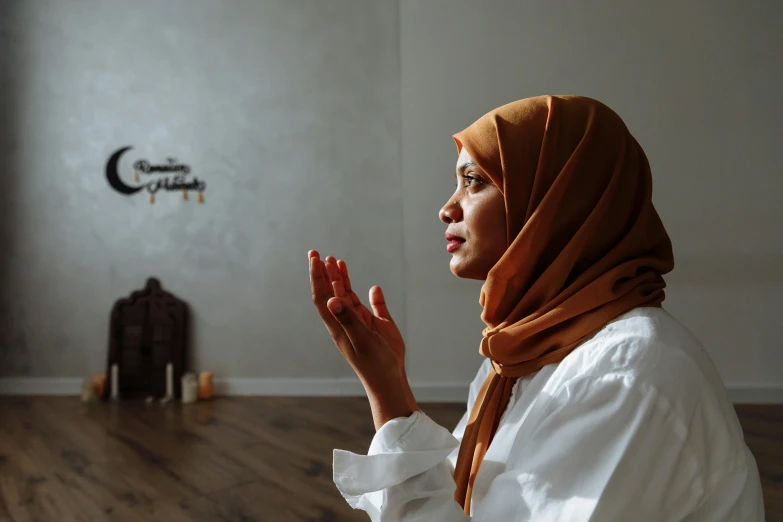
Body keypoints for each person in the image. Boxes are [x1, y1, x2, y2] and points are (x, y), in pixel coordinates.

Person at [308, 95, 765, 520]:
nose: (447, 209)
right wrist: (387, 384)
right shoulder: (519, 352)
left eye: (473, 181)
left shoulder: (629, 373)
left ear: (555, 201)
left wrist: (388, 394)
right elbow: (459, 502)